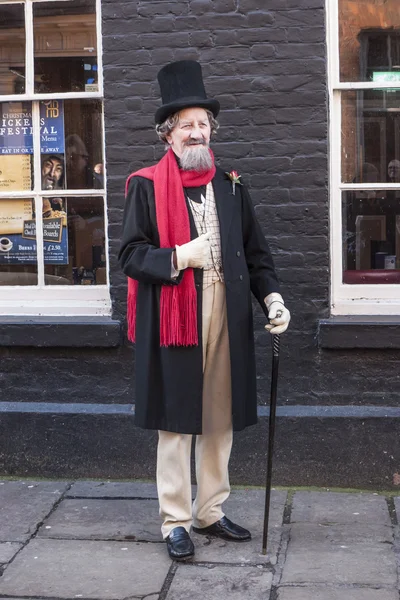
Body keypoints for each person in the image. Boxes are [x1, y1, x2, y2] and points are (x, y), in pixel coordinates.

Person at [118, 60, 291, 562]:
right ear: (167, 133)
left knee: (220, 417)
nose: (197, 132)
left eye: (203, 124)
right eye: (186, 125)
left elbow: (257, 255)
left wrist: (272, 298)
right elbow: (130, 256)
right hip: (175, 316)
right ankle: (175, 519)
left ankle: (211, 510)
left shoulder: (232, 186)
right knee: (177, 421)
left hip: (227, 313)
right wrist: (177, 257)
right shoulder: (146, 186)